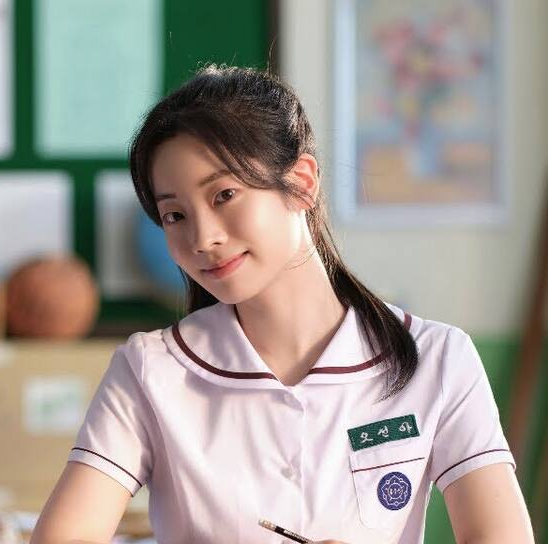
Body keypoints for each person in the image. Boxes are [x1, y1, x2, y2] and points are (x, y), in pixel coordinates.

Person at [30, 66, 533, 543]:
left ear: (301, 183)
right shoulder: (149, 370)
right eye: (175, 215)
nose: (202, 238)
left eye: (224, 195)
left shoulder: (438, 357)